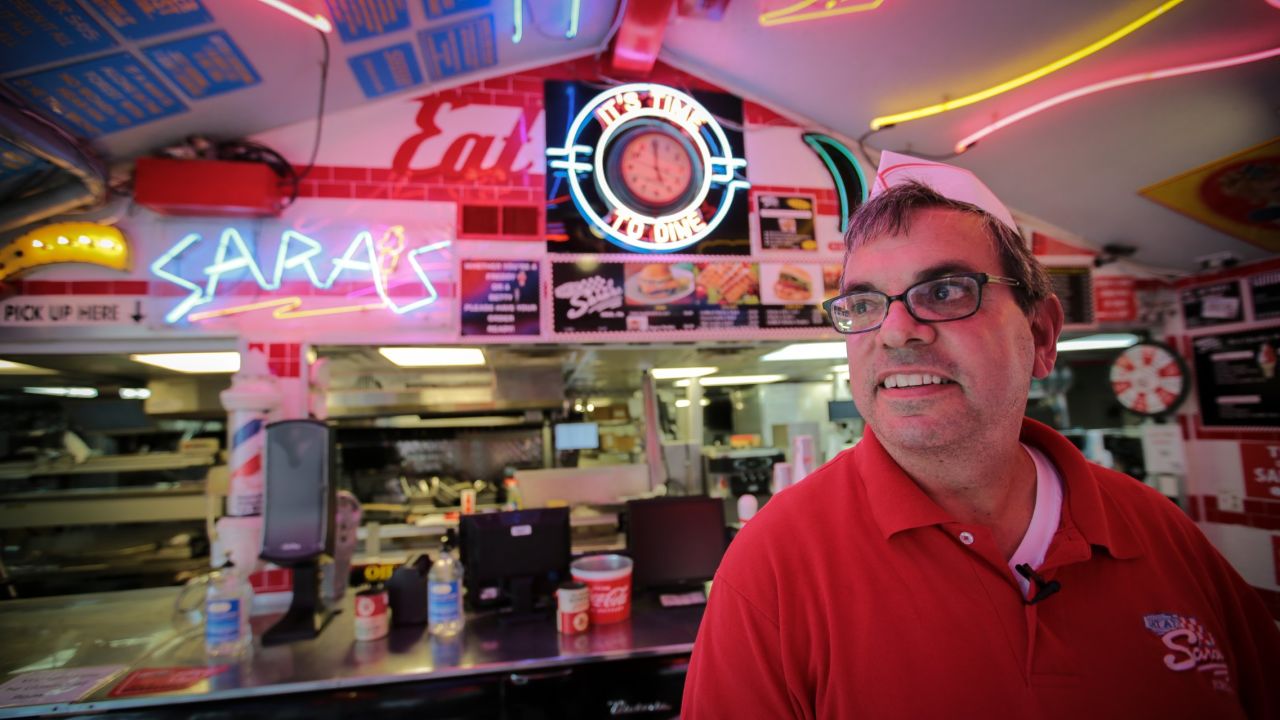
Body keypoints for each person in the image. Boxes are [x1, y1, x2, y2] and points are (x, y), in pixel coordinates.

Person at [682, 152, 1280, 719]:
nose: (895, 333)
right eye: (863, 302)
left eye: (944, 292)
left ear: (1042, 335)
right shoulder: (772, 570)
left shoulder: (1161, 533)